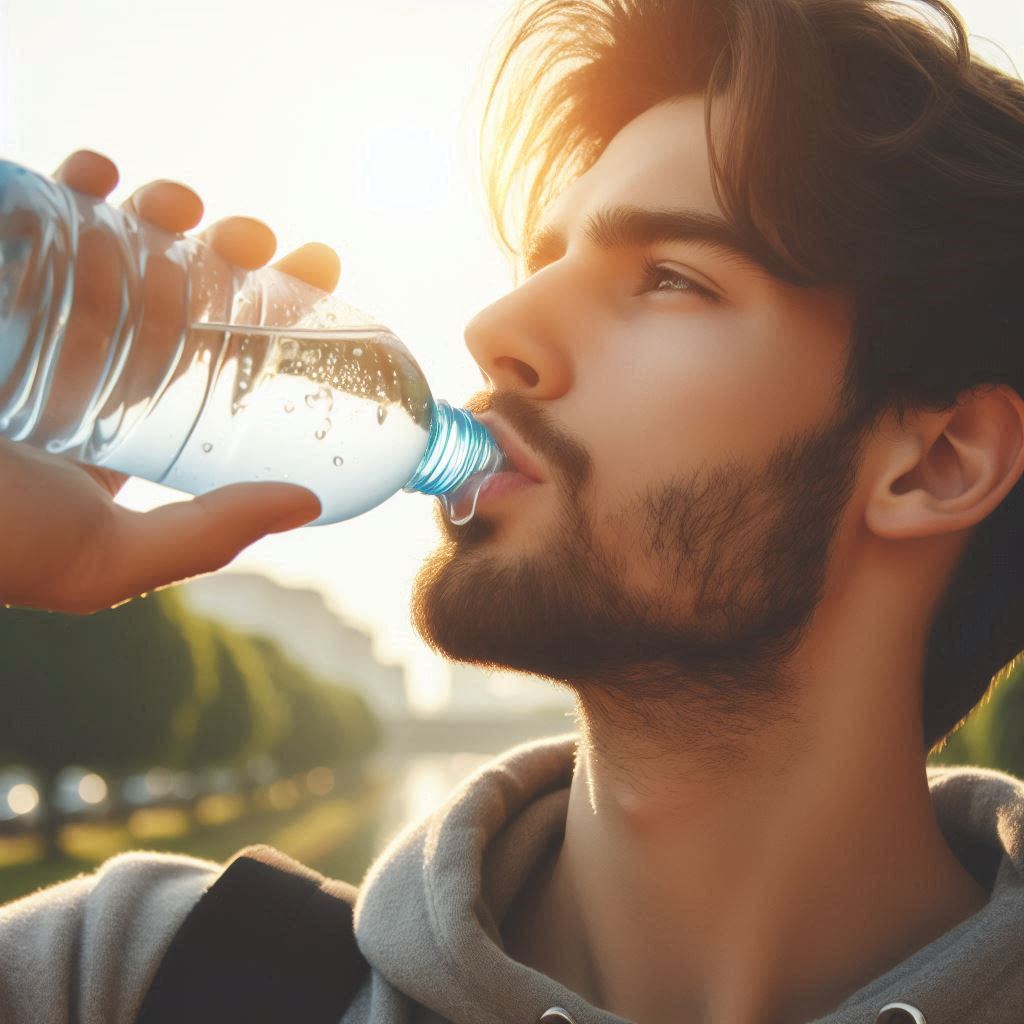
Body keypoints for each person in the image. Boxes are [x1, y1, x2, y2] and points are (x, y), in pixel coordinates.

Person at [1, 0, 1023, 1022]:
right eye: (543, 264)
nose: (495, 328)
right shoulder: (128, 976)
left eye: (669, 278)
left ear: (935, 463)